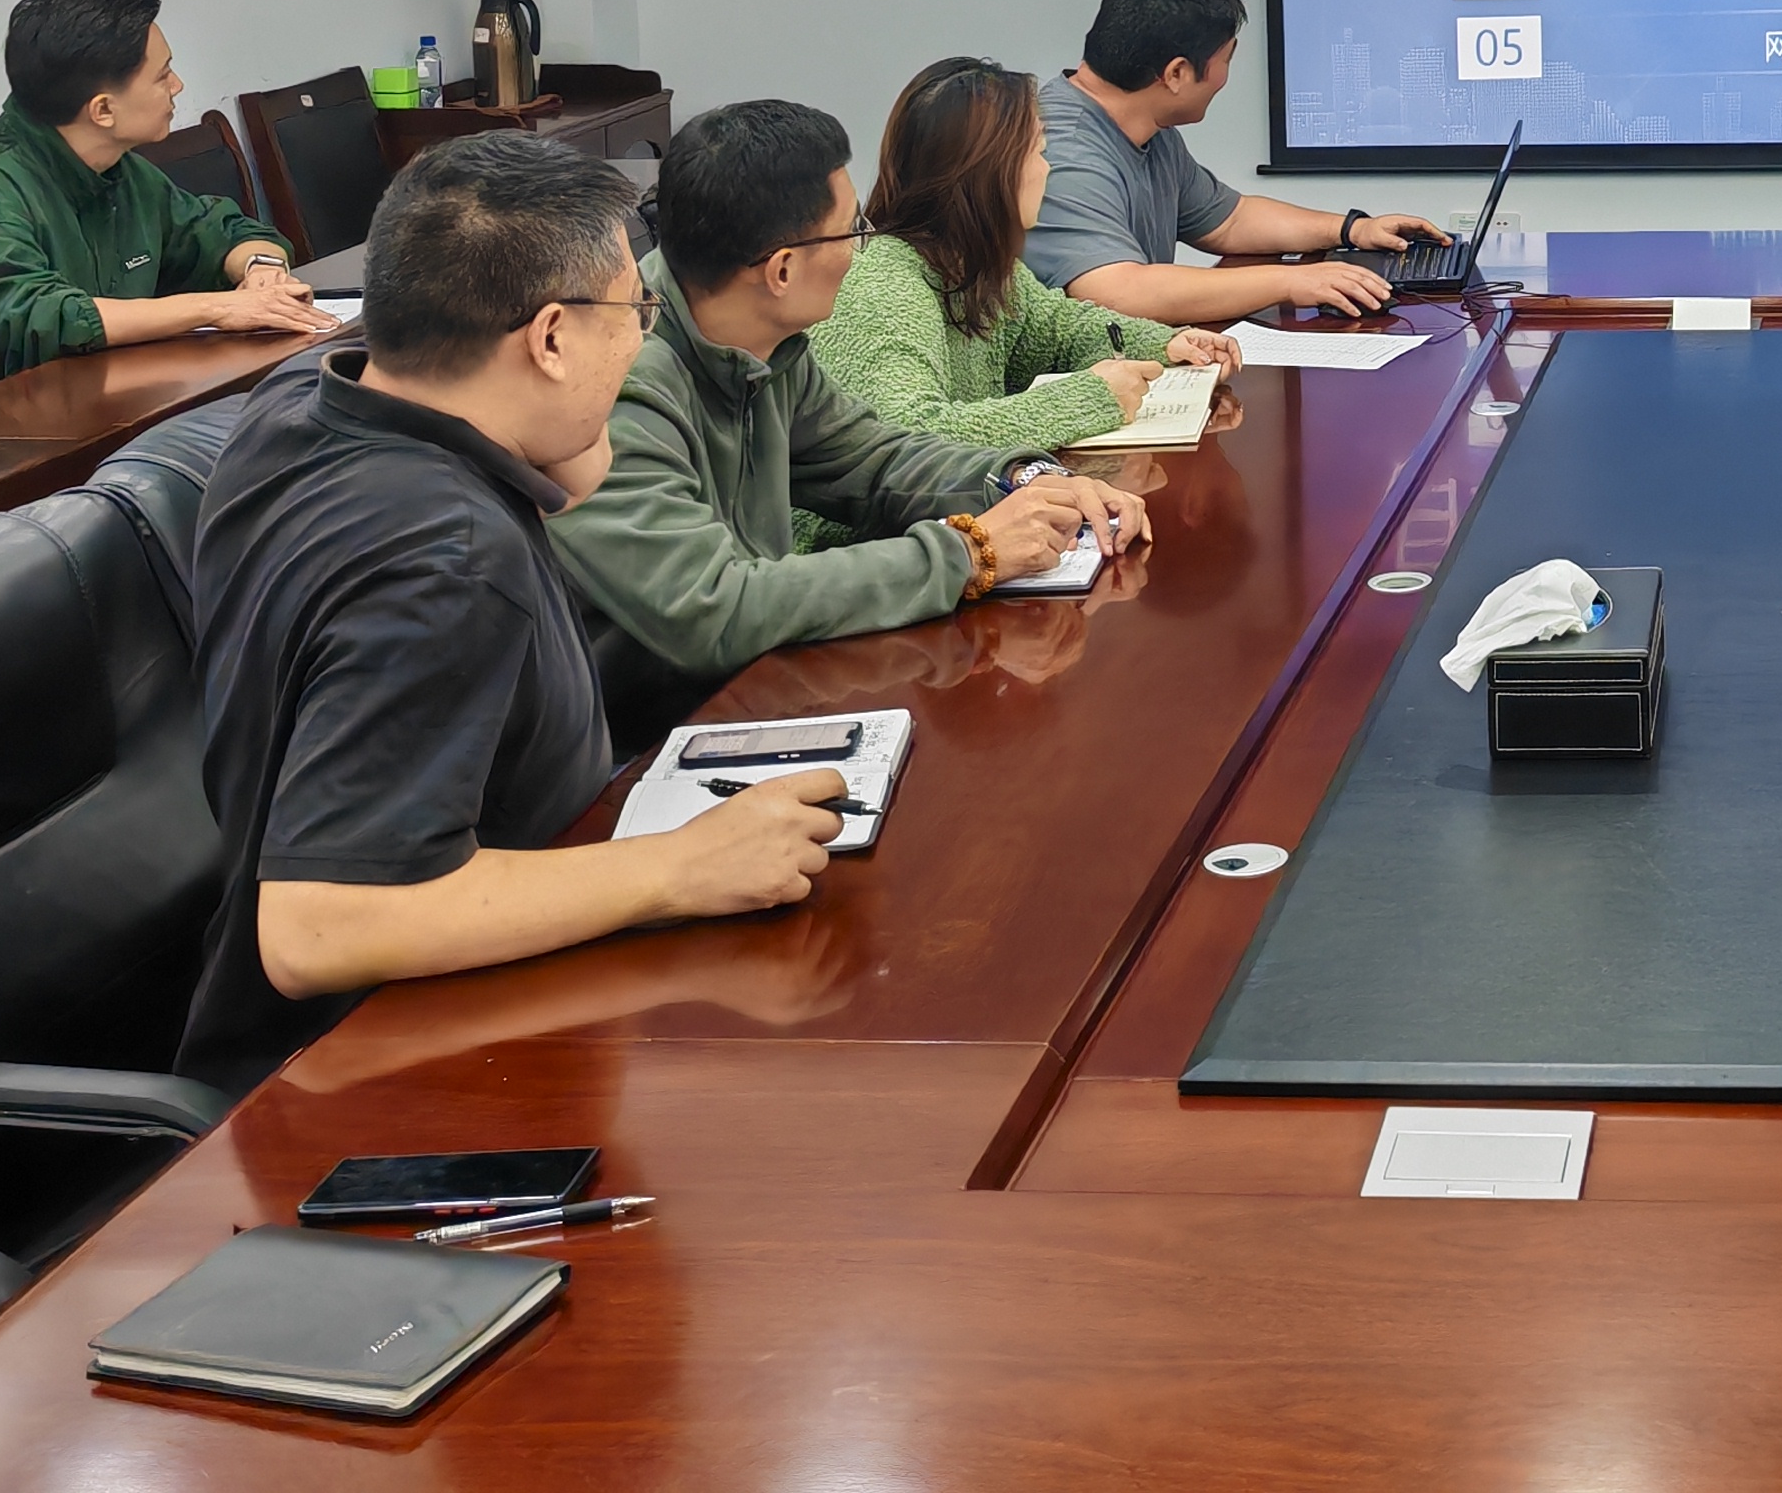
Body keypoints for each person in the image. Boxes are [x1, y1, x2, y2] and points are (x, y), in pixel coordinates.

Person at [181, 135, 853, 1095]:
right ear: (548, 339)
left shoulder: (302, 400)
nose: (642, 338)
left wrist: (573, 423)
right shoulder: (447, 563)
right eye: (634, 312)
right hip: (390, 1064)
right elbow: (318, 929)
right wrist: (679, 869)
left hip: (471, 982)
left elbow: (571, 473)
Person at [545, 97, 1146, 749]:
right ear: (781, 269)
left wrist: (1023, 477)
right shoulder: (618, 384)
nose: (862, 250)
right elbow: (714, 607)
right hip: (637, 751)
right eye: (851, 230)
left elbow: (873, 461)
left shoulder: (760, 337)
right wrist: (970, 553)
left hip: (749, 692)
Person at [0, 0, 322, 406]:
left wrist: (262, 272)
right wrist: (216, 308)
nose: (177, 86)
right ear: (102, 110)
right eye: (162, 75)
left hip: (91, 400)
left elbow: (214, 230)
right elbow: (30, 321)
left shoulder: (117, 168)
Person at [811, 57, 1237, 451]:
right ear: (990, 172)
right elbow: (909, 439)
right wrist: (1090, 398)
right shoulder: (883, 285)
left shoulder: (975, 266)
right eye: (1038, 151)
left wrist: (1168, 344)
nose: (1046, 168)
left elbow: (1060, 330)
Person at [1027, 0, 1448, 324]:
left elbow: (1229, 220)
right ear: (1176, 74)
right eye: (1225, 59)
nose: (1225, 78)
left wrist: (1353, 229)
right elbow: (1116, 292)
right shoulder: (1061, 149)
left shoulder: (1151, 128)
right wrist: (1291, 282)